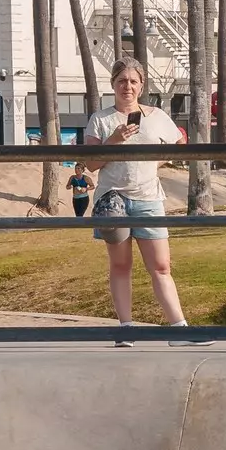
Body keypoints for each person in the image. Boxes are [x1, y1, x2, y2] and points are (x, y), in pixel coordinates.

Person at [79, 56, 190, 332]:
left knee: (161, 266)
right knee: (121, 266)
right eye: (121, 81)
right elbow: (91, 164)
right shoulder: (100, 119)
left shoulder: (157, 116)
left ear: (141, 86)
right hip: (113, 201)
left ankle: (180, 328)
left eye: (132, 81)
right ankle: (126, 328)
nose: (127, 86)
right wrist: (114, 140)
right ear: (113, 84)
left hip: (149, 197)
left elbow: (180, 142)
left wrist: (156, 161)